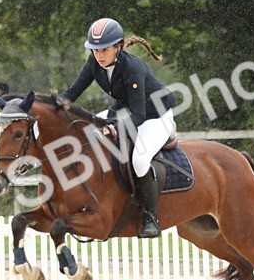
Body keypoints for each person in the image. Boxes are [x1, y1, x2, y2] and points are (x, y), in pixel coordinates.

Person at [60, 18, 176, 238]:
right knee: (86, 133)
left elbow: (139, 115)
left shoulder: (133, 68)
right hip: (125, 109)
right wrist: (46, 105)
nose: (99, 55)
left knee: (139, 159)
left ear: (118, 47)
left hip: (155, 115)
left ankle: (151, 218)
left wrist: (113, 127)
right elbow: (71, 94)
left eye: (104, 49)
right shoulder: (94, 63)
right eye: (95, 50)